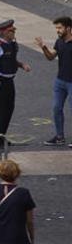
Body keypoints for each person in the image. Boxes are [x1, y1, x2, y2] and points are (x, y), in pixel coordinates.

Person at [0, 20, 31, 137]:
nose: (13, 32)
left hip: (9, 81)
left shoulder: (11, 44)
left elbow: (10, 60)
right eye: (10, 31)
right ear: (2, 32)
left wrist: (21, 65)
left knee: (9, 108)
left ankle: (2, 135)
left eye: (13, 30)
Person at [35, 16, 72, 147]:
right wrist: (43, 47)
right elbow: (51, 57)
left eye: (60, 28)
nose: (58, 30)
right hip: (60, 80)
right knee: (56, 108)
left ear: (68, 28)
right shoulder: (59, 41)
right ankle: (59, 136)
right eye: (56, 28)